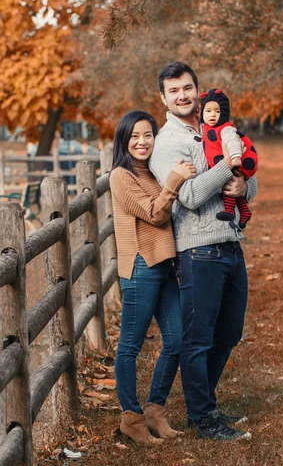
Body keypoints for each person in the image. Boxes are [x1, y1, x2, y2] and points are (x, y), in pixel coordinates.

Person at [150, 62, 258, 441]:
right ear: (163, 98)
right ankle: (203, 416)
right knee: (198, 339)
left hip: (231, 243)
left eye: (187, 88)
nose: (183, 95)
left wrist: (244, 188)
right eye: (174, 90)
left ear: (197, 90)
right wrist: (225, 169)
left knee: (229, 332)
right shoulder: (166, 143)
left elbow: (250, 176)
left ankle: (205, 403)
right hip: (198, 251)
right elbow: (191, 196)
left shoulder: (217, 127)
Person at [110, 110, 196, 444]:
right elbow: (153, 214)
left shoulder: (155, 173)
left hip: (164, 265)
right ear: (124, 140)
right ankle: (130, 418)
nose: (142, 142)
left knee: (176, 340)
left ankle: (155, 411)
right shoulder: (121, 176)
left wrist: (170, 179)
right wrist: (174, 181)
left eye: (148, 135)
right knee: (130, 346)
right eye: (134, 136)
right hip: (141, 267)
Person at [200, 88, 258, 229]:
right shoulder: (206, 127)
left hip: (239, 162)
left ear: (224, 113)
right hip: (228, 162)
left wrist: (236, 157)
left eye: (217, 111)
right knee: (232, 184)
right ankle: (244, 211)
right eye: (208, 111)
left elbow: (233, 142)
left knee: (228, 183)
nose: (212, 115)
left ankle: (229, 210)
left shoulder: (225, 129)